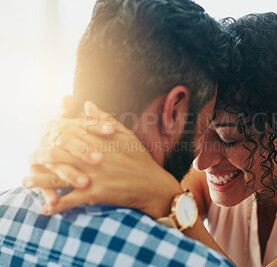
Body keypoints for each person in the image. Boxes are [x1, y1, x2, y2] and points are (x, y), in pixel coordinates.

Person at [27, 10, 277, 267]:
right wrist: (69, 151)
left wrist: (170, 202)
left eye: (229, 138)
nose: (201, 161)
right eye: (201, 130)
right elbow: (124, 178)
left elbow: (157, 194)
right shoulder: (215, 183)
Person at [0, 0, 236, 265]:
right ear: (173, 111)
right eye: (204, 127)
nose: (201, 158)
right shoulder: (196, 261)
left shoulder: (4, 210)